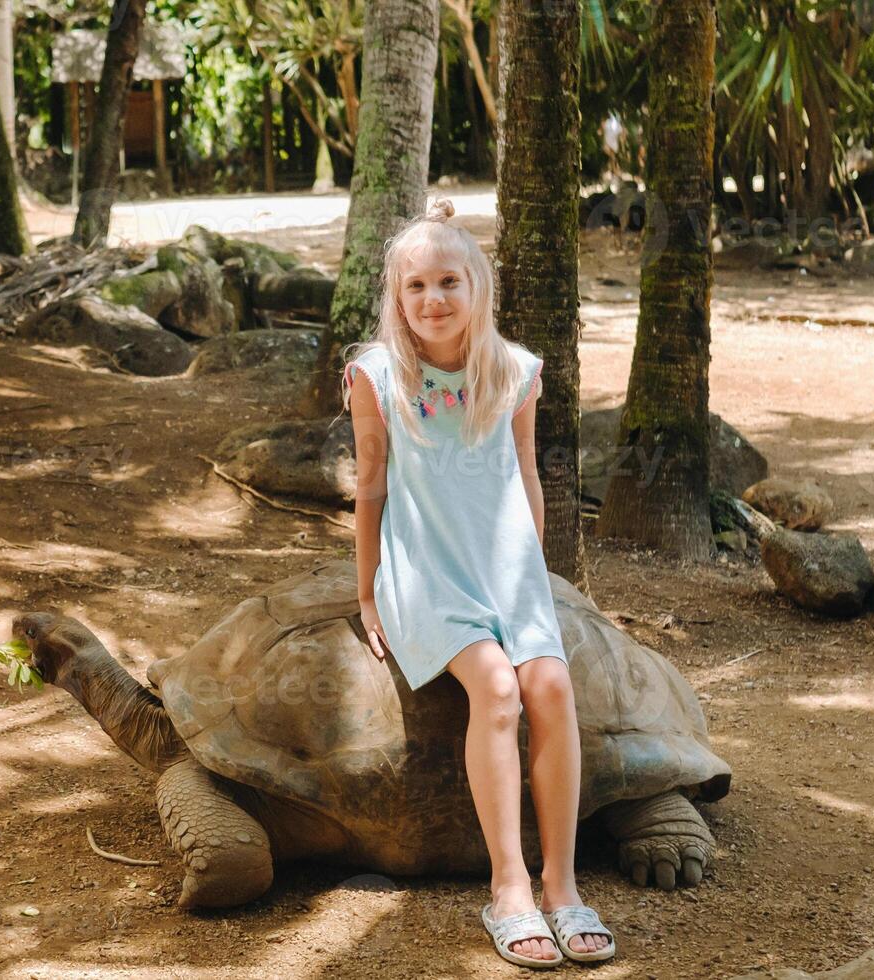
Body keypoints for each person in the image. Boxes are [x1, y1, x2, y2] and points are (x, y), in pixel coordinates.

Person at [342, 200, 615, 967]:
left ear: (477, 287)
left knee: (552, 688)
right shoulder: (375, 377)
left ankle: (562, 885)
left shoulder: (515, 371)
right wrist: (368, 592)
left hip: (505, 565)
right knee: (494, 688)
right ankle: (510, 887)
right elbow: (371, 488)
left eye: (449, 282)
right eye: (417, 286)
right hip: (425, 565)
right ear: (397, 297)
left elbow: (525, 474)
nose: (433, 300)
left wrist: (533, 574)